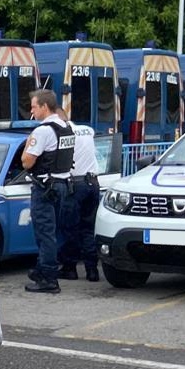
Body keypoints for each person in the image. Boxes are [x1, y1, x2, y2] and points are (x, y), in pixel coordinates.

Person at [20, 89, 75, 294]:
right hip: (61, 185)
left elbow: (27, 162)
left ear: (44, 106)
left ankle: (49, 279)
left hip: (45, 187)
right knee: (52, 233)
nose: (31, 111)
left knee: (44, 234)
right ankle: (42, 268)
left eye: (34, 106)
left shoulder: (43, 131)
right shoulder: (66, 127)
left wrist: (27, 145)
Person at [59, 121, 101, 282]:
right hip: (93, 183)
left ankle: (70, 268)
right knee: (88, 228)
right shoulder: (87, 130)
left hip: (75, 185)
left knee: (70, 228)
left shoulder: (64, 134)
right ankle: (92, 270)